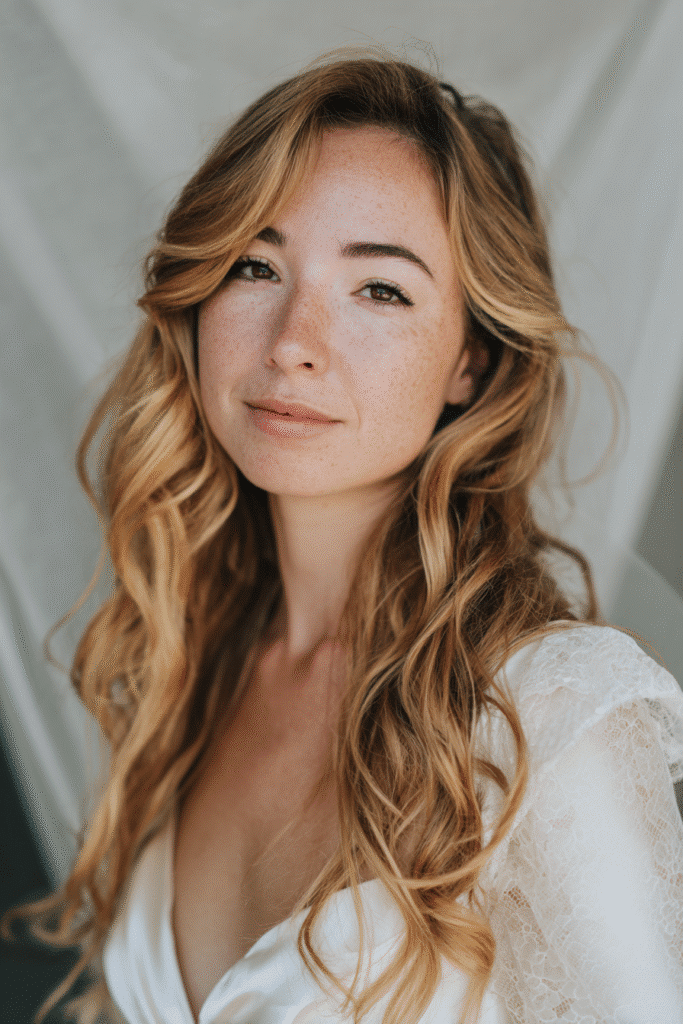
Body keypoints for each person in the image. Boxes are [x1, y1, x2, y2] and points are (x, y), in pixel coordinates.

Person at [11, 50, 683, 1024]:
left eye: (379, 289)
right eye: (254, 265)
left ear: (470, 360)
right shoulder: (175, 674)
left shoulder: (545, 719)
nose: (292, 338)